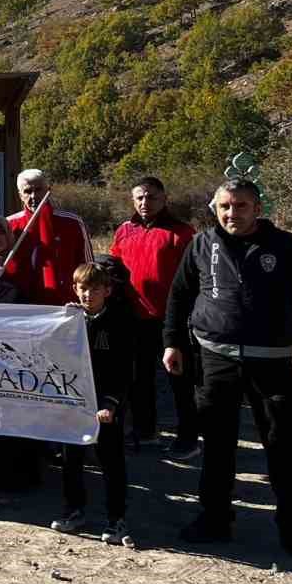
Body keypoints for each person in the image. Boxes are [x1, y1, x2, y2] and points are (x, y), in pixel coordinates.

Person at [163, 178, 292, 559]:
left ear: (258, 208)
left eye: (241, 206)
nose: (232, 213)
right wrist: (172, 342)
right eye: (225, 206)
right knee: (217, 446)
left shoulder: (285, 246)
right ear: (215, 208)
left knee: (280, 446)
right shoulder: (201, 244)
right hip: (215, 359)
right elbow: (180, 295)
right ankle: (214, 520)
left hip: (271, 363)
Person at [110, 176, 197, 458]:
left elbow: (195, 276)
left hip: (172, 319)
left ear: (164, 199)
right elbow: (115, 268)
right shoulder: (125, 230)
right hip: (135, 316)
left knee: (179, 380)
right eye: (139, 198)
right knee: (139, 378)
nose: (145, 203)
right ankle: (146, 430)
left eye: (151, 197)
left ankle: (188, 438)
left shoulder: (181, 232)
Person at [51, 263, 134, 543]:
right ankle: (74, 510)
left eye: (95, 289)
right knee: (70, 459)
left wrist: (110, 403)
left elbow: (123, 370)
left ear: (107, 291)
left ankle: (116, 519)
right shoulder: (70, 320)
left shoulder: (119, 321)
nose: (88, 294)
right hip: (74, 401)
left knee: (110, 462)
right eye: (83, 288)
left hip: (105, 404)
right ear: (75, 289)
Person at [7, 169, 94, 305]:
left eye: (39, 189)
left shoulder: (72, 223)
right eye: (28, 191)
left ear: (48, 190)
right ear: (20, 195)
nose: (34, 196)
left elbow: (88, 267)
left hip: (66, 305)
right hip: (23, 306)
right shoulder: (10, 225)